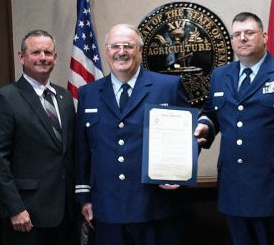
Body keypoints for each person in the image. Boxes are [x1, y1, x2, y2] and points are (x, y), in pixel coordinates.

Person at [195, 12, 274, 244]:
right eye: (237, 34)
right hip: (234, 190)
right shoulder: (220, 75)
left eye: (249, 33)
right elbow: (212, 113)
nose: (242, 38)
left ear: (264, 36)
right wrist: (205, 125)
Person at [75, 24, 190, 245]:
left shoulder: (167, 86)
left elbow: (187, 138)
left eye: (128, 45)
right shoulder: (88, 93)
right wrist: (84, 198)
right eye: (115, 46)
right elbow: (83, 150)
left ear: (139, 50)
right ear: (107, 51)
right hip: (107, 208)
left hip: (156, 207)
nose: (121, 51)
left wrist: (180, 174)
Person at [0, 30, 76, 245]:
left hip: (66, 212)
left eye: (48, 52)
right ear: (21, 57)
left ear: (55, 57)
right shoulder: (5, 98)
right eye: (35, 52)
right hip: (28, 213)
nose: (42, 57)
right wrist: (14, 208)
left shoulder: (64, 97)